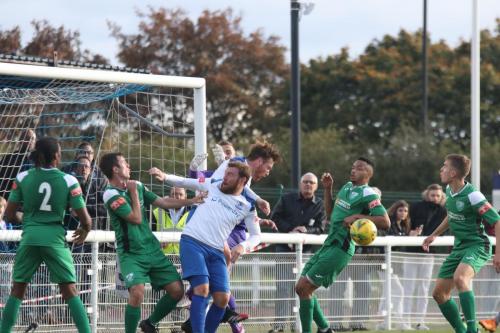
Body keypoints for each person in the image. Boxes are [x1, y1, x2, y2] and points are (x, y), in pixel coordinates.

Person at [149, 161, 262, 333]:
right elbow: (185, 182)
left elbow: (256, 236)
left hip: (216, 251)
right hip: (192, 243)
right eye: (226, 172)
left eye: (230, 174)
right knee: (202, 289)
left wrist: (242, 246)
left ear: (243, 180)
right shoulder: (213, 184)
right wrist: (164, 177)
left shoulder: (248, 206)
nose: (225, 177)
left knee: (222, 299)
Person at [99, 152, 204, 333]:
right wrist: (132, 193)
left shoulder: (138, 185)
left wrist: (192, 200)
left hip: (152, 250)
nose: (129, 166)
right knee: (137, 292)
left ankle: (150, 323)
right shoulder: (110, 194)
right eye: (125, 163)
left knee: (177, 291)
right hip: (131, 254)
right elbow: (136, 218)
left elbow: (163, 201)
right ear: (115, 169)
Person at [0, 136, 92, 333]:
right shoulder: (69, 180)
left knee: (17, 290)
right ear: (57, 156)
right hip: (54, 240)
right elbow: (86, 220)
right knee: (70, 291)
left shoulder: (23, 177)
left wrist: (31, 219)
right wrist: (84, 231)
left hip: (30, 238)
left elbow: (8, 214)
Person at [294, 157, 390, 333]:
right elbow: (331, 215)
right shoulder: (346, 187)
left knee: (305, 288)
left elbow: (385, 221)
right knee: (300, 288)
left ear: (368, 174)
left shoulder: (369, 194)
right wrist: (328, 188)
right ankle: (325, 329)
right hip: (329, 243)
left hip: (341, 248)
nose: (353, 170)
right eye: (353, 167)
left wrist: (357, 217)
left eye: (359, 168)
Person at [422, 154, 500, 333]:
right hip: (459, 247)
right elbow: (451, 216)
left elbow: (497, 221)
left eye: (444, 166)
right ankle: (461, 330)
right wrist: (434, 235)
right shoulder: (449, 191)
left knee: (460, 278)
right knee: (439, 294)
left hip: (478, 245)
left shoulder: (473, 195)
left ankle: (472, 329)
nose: (441, 169)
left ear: (454, 173)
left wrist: (498, 254)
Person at [269, 172, 326, 332]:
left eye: (312, 183)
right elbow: (275, 217)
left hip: (306, 253)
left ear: (316, 186)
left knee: (304, 288)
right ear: (301, 184)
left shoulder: (320, 204)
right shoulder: (286, 199)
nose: (308, 185)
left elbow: (321, 228)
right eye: (305, 182)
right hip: (284, 249)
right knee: (283, 288)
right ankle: (279, 326)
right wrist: (291, 231)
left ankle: (297, 325)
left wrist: (305, 230)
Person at [403, 183, 447, 330]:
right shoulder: (415, 207)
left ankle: (420, 321)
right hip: (411, 252)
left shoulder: (444, 211)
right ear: (427, 194)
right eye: (432, 195)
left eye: (438, 196)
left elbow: (444, 232)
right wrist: (412, 233)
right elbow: (406, 225)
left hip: (429, 254)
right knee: (408, 287)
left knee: (424, 288)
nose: (435, 198)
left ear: (442, 197)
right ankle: (405, 321)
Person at [376, 200, 421, 331]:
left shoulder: (403, 226)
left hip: (394, 264)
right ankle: (400, 323)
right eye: (400, 210)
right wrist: (408, 237)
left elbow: (401, 244)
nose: (403, 213)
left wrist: (410, 236)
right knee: (398, 291)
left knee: (388, 293)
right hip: (383, 263)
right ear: (395, 211)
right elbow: (389, 241)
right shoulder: (388, 223)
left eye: (405, 211)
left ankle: (384, 323)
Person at [153, 187, 191, 255]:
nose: (178, 197)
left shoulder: (192, 213)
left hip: (184, 256)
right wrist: (157, 242)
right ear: (170, 196)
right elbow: (149, 234)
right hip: (162, 256)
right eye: (174, 194)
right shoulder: (157, 212)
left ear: (186, 196)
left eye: (181, 194)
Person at [0, 129, 36, 199]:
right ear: (20, 140)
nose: (30, 141)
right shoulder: (8, 158)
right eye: (27, 138)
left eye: (32, 139)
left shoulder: (36, 162)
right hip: (8, 199)